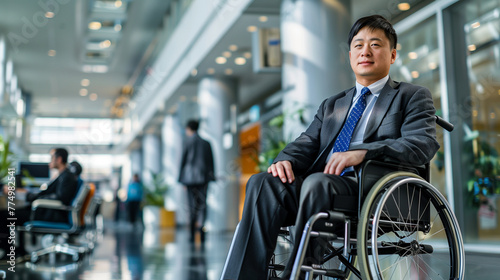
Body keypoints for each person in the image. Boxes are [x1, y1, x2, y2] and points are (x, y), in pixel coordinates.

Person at [220, 15, 440, 280]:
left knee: (316, 183)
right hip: (323, 183)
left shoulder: (412, 96)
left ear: (392, 55)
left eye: (375, 45)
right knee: (262, 183)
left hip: (371, 188)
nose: (365, 52)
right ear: (350, 56)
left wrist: (364, 153)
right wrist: (285, 160)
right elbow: (307, 142)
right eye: (358, 46)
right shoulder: (333, 104)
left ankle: (296, 276)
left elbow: (421, 143)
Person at [0, 147, 79, 259]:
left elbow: (61, 198)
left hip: (50, 214)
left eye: (52, 158)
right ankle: (17, 251)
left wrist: (31, 196)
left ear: (59, 159)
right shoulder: (63, 175)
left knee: (3, 216)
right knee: (9, 214)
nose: (49, 161)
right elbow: (50, 193)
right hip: (47, 211)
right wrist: (30, 194)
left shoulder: (66, 177)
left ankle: (11, 252)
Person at [178, 119, 215, 244]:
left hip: (189, 179)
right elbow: (211, 162)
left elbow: (183, 161)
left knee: (191, 205)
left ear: (189, 129)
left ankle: (192, 233)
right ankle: (201, 228)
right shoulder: (206, 143)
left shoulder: (187, 142)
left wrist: (181, 179)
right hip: (203, 178)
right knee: (202, 204)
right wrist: (211, 177)